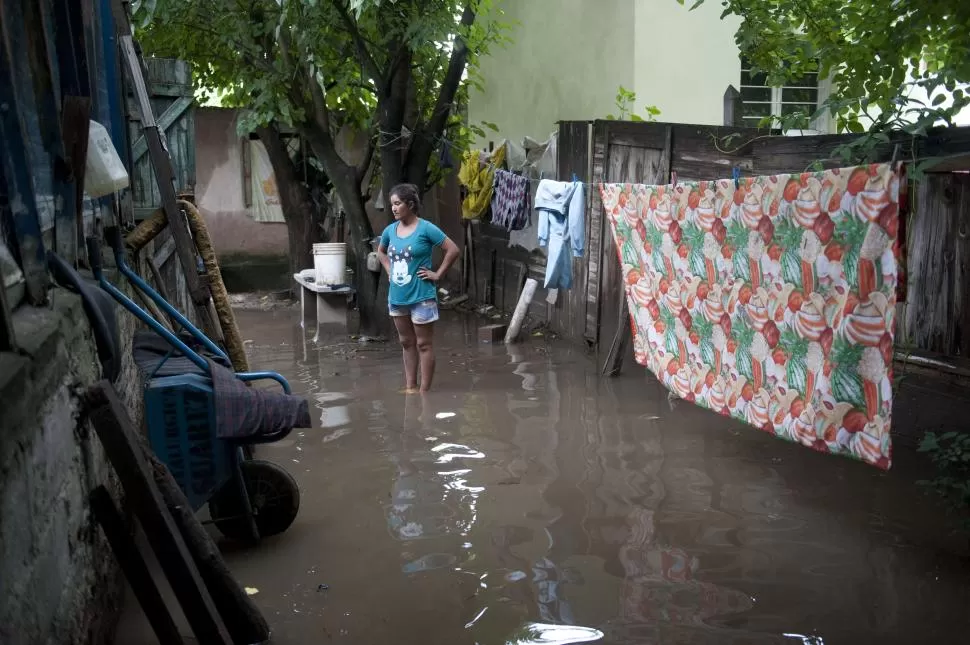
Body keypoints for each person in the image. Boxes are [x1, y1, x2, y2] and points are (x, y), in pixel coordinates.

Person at [377, 183, 460, 393]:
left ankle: (424, 392)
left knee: (423, 344)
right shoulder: (390, 230)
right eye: (392, 205)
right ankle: (410, 387)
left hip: (422, 295)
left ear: (410, 204)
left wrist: (438, 274)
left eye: (397, 204)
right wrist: (389, 271)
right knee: (406, 342)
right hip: (397, 296)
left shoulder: (426, 228)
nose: (394, 208)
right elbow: (381, 253)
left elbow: (452, 249)